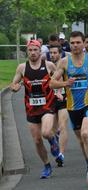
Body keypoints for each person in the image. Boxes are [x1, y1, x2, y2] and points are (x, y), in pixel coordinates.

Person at [50, 31, 88, 186]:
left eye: (78, 42)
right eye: (72, 42)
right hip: (73, 106)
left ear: (84, 44)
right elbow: (51, 83)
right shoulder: (64, 62)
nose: (75, 45)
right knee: (81, 139)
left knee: (85, 132)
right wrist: (65, 84)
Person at [10, 40, 61, 179]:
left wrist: (58, 91)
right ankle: (47, 165)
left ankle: (53, 141)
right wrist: (14, 87)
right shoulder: (22, 68)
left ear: (40, 51)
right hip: (31, 108)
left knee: (45, 132)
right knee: (37, 140)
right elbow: (13, 83)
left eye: (35, 50)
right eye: (30, 50)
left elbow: (58, 78)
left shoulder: (48, 65)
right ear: (27, 51)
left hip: (48, 105)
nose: (32, 53)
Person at [49, 44, 69, 166]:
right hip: (51, 100)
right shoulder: (47, 66)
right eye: (51, 53)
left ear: (60, 53)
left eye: (55, 53)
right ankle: (55, 141)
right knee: (52, 129)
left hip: (64, 99)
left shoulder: (65, 65)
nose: (53, 55)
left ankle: (61, 154)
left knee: (62, 126)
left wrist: (62, 92)